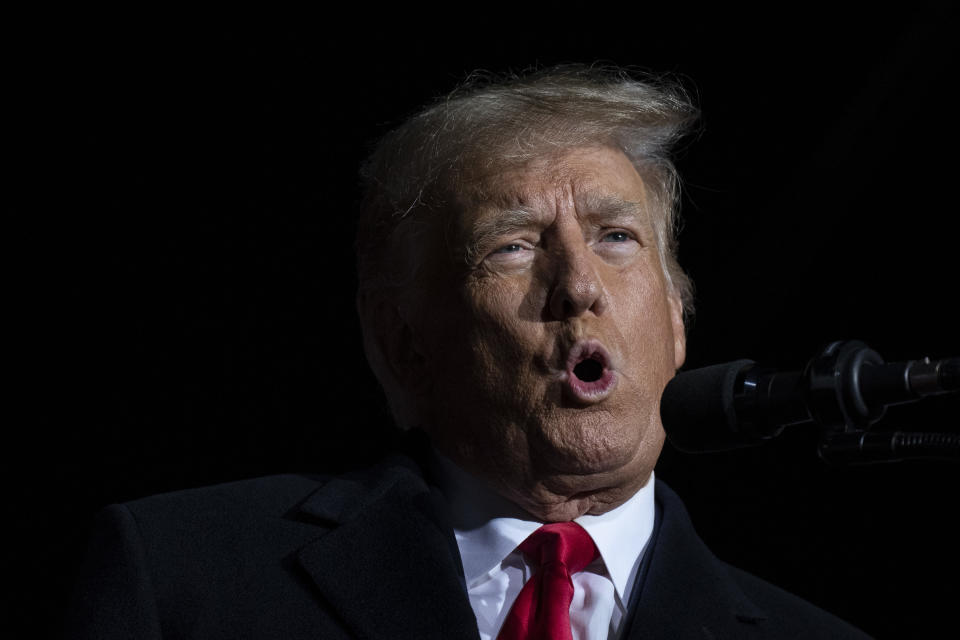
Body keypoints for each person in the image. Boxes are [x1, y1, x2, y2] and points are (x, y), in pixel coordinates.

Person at [66, 66, 871, 639]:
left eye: (616, 238)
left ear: (676, 319)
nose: (579, 287)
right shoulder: (181, 577)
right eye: (514, 248)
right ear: (403, 340)